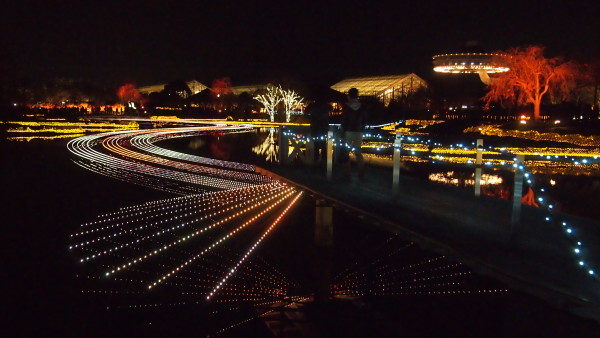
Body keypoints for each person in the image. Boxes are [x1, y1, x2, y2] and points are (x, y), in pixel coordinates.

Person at [340, 87, 366, 180]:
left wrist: (342, 130)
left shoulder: (347, 107)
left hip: (348, 131)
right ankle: (361, 171)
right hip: (358, 131)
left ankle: (347, 172)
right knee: (358, 152)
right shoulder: (361, 106)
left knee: (345, 151)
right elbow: (364, 120)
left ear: (349, 95)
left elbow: (344, 120)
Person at [306, 90, 331, 165]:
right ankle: (324, 162)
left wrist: (311, 118)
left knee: (316, 146)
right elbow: (330, 108)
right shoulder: (326, 106)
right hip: (324, 127)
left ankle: (316, 162)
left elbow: (306, 112)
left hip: (315, 127)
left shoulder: (313, 106)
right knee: (323, 145)